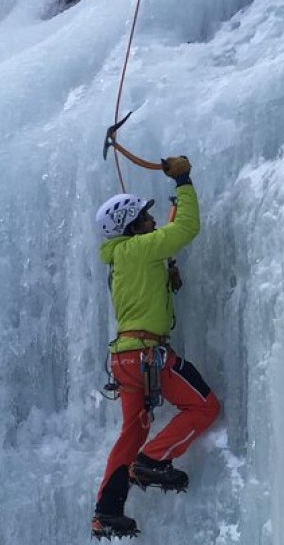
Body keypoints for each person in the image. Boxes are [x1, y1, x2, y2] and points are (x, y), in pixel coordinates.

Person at [91, 156, 220, 539]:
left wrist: (167, 277)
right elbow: (185, 229)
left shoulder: (125, 258)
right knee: (203, 406)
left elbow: (162, 237)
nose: (150, 221)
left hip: (125, 360)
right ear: (132, 228)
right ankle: (152, 460)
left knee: (132, 431)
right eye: (144, 218)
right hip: (149, 357)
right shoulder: (139, 249)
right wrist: (183, 180)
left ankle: (107, 510)